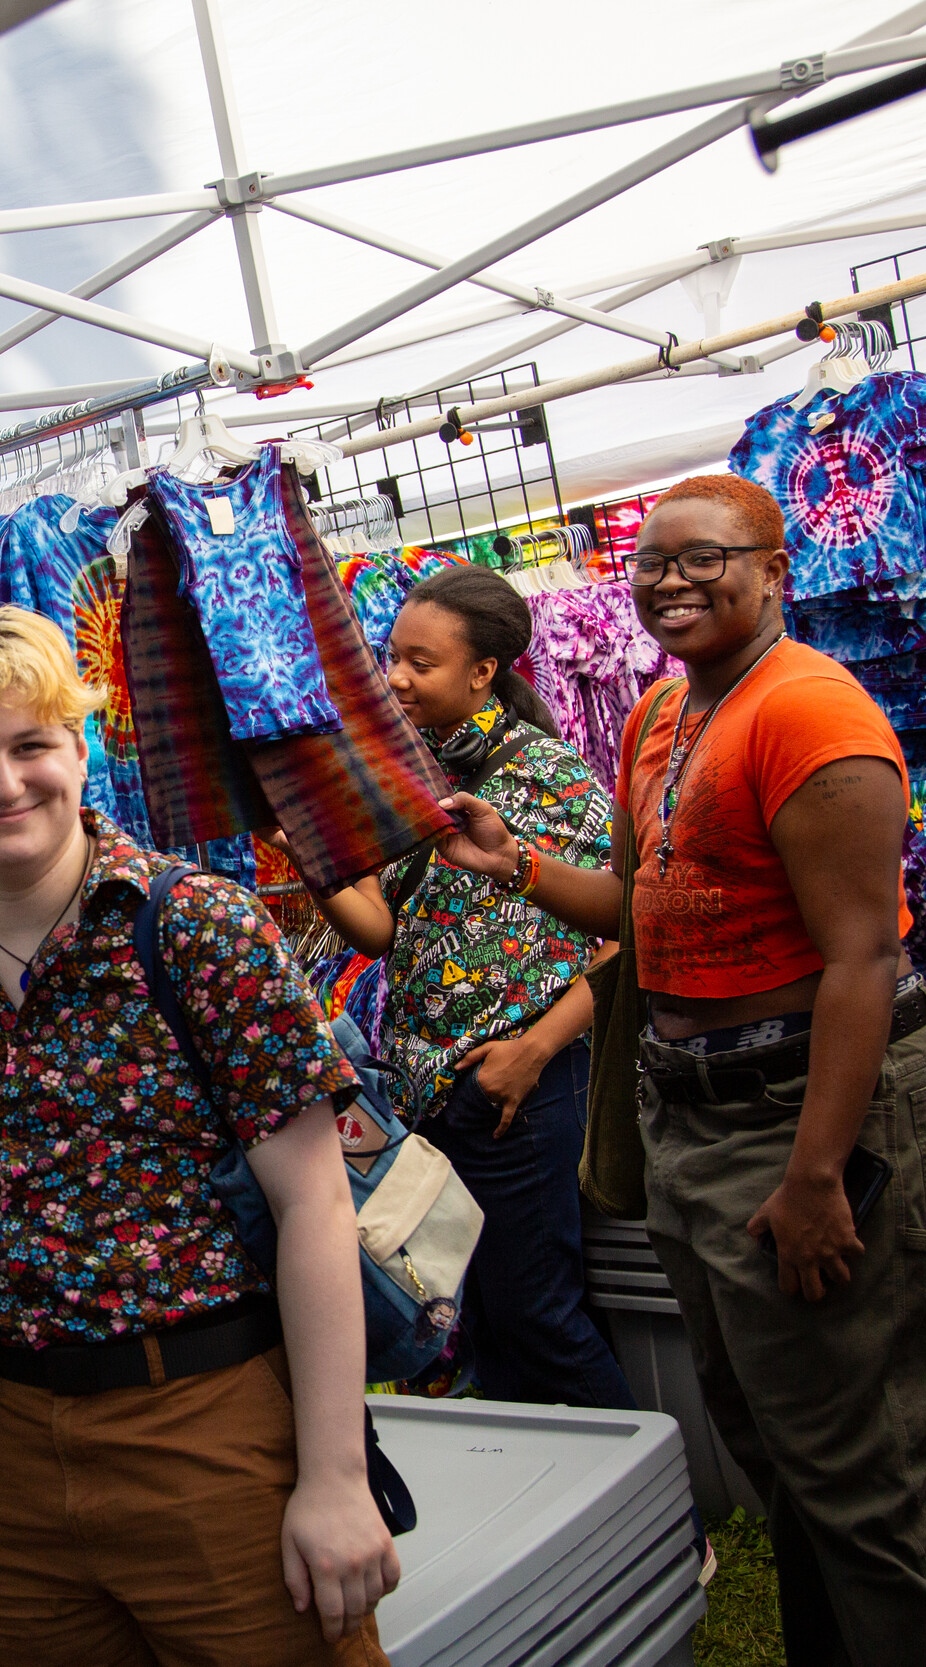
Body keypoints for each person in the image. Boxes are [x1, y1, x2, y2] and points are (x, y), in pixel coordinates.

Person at [434, 475, 926, 1666]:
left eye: (707, 558)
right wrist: (514, 864)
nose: (671, 580)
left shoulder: (811, 715)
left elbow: (860, 959)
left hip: (804, 1115)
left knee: (862, 1479)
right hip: (700, 1120)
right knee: (779, 1449)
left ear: (775, 568)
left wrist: (815, 1176)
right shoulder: (660, 717)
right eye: (654, 562)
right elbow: (648, 913)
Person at [0, 607, 399, 1665]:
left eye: (31, 745)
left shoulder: (196, 927)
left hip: (202, 1419)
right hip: (0, 1437)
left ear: (80, 750)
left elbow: (316, 1203)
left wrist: (331, 1474)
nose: (4, 783)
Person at [295, 564, 633, 1409]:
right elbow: (378, 931)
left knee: (539, 1317)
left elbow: (631, 937)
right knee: (475, 1316)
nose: (396, 679)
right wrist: (309, 847)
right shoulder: (400, 777)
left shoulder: (548, 776)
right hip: (437, 1095)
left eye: (420, 662)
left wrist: (533, 1049)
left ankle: (665, 1527)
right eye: (390, 659)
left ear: (483, 671)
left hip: (523, 1086)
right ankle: (558, 1513)